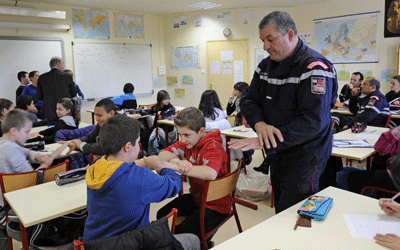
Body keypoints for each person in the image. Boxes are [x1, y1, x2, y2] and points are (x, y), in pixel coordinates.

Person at [228, 11, 338, 213]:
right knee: (281, 208)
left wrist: (264, 141)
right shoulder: (266, 66)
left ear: (289, 34)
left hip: (305, 156)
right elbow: (249, 100)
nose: (265, 46)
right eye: (263, 40)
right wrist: (260, 125)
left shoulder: (314, 67)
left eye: (270, 39)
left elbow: (313, 122)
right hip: (278, 153)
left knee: (297, 213)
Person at [83, 114, 200, 250]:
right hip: (127, 244)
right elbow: (174, 185)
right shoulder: (140, 178)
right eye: (138, 142)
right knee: (193, 240)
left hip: (94, 245)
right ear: (128, 147)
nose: (139, 147)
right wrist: (162, 167)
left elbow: (120, 168)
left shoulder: (96, 166)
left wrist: (144, 162)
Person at [156, 107, 231, 248]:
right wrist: (177, 162)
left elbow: (211, 173)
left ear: (201, 131)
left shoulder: (213, 146)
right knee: (162, 216)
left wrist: (179, 168)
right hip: (198, 198)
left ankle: (203, 244)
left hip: (217, 206)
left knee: (179, 232)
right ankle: (204, 242)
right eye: (179, 134)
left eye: (186, 135)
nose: (182, 139)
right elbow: (162, 154)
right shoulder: (189, 143)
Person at [0, 109, 68, 205]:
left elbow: (27, 152)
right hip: (16, 201)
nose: (28, 136)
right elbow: (31, 178)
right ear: (14, 131)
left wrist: (40, 157)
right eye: (27, 132)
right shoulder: (12, 149)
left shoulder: (5, 144)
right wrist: (46, 163)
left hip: (9, 198)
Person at [36, 57, 77, 122]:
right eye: (62, 64)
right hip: (65, 112)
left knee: (49, 131)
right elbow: (73, 93)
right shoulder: (67, 76)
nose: (63, 67)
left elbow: (39, 96)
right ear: (58, 64)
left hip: (48, 112)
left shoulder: (42, 77)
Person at [141, 90, 176, 154]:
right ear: (160, 100)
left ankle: (153, 152)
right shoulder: (157, 106)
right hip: (156, 127)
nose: (167, 100)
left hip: (165, 130)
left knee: (150, 136)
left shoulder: (170, 108)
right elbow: (149, 111)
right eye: (165, 99)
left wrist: (162, 113)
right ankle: (148, 152)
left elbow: (168, 115)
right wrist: (140, 112)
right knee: (143, 134)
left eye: (168, 99)